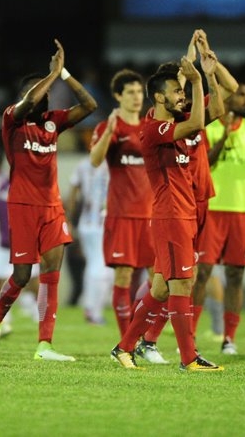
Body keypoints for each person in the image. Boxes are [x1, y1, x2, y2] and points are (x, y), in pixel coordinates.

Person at [0, 39, 97, 361]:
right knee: (21, 276)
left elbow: (89, 106)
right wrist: (50, 75)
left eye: (47, 92)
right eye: (38, 92)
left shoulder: (52, 123)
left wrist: (65, 75)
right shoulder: (11, 120)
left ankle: (44, 345)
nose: (44, 95)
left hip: (51, 206)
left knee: (51, 273)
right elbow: (30, 97)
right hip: (21, 206)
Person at [110, 56, 223, 372]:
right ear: (159, 96)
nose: (181, 96)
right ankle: (189, 358)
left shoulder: (171, 122)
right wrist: (197, 81)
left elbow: (217, 110)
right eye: (176, 91)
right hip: (171, 216)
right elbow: (198, 123)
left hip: (183, 214)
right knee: (181, 286)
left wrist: (206, 75)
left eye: (182, 91)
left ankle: (124, 347)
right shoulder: (154, 129)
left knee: (160, 288)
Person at [193, 83, 245, 356]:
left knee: (236, 274)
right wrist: (223, 138)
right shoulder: (208, 127)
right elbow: (206, 163)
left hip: (241, 210)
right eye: (241, 94)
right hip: (212, 209)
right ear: (227, 97)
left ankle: (229, 339)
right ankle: (189, 337)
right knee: (202, 272)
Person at [88, 69, 155, 340]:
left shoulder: (149, 127)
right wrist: (109, 133)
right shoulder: (108, 127)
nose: (137, 97)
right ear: (118, 96)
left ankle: (147, 339)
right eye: (130, 92)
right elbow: (94, 160)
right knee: (123, 277)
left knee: (159, 281)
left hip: (151, 215)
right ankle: (126, 341)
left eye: (140, 92)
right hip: (122, 214)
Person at [66, 156, 111, 326]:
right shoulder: (112, 163)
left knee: (93, 265)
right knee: (103, 267)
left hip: (86, 223)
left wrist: (70, 219)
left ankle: (90, 307)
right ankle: (94, 311)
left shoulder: (83, 164)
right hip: (104, 223)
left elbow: (73, 192)